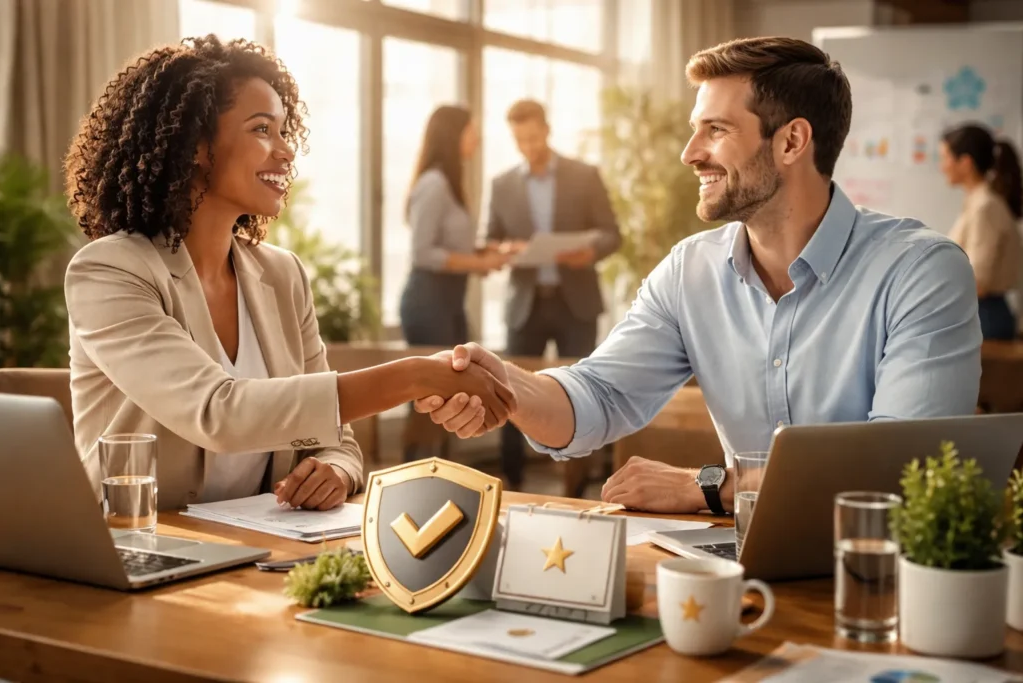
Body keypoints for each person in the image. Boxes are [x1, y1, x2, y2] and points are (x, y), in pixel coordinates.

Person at [416, 36, 982, 513]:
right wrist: (506, 385)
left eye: (716, 129)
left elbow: (903, 472)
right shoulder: (689, 270)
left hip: (873, 577)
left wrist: (706, 486)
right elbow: (600, 397)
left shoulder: (921, 271)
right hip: (734, 565)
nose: (690, 153)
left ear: (791, 141)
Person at [63, 36, 514, 512]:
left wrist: (335, 470)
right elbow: (219, 412)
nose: (285, 152)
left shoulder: (282, 274)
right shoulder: (111, 270)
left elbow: (337, 439)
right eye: (262, 129)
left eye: (284, 132)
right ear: (195, 144)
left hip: (257, 554)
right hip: (139, 551)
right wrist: (417, 377)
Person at [485, 99, 621, 489]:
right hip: (525, 304)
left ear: (547, 129)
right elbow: (489, 240)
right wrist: (505, 250)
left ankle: (576, 484)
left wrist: (590, 252)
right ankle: (511, 480)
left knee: (584, 391)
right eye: (519, 140)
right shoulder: (501, 184)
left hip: (575, 301)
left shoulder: (584, 175)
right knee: (509, 391)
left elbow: (612, 233)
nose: (528, 146)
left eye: (533, 137)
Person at [399, 105, 508, 461]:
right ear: (453, 134)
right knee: (430, 391)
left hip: (449, 301)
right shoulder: (433, 183)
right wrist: (480, 262)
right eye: (471, 130)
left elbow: (448, 244)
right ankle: (413, 471)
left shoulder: (450, 182)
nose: (476, 139)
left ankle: (439, 469)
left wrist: (481, 250)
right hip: (429, 301)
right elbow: (424, 253)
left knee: (450, 389)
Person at [939, 123, 1023, 340]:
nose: (942, 166)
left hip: (986, 317)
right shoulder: (977, 202)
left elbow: (978, 281)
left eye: (945, 158)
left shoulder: (985, 206)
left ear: (965, 163)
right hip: (980, 313)